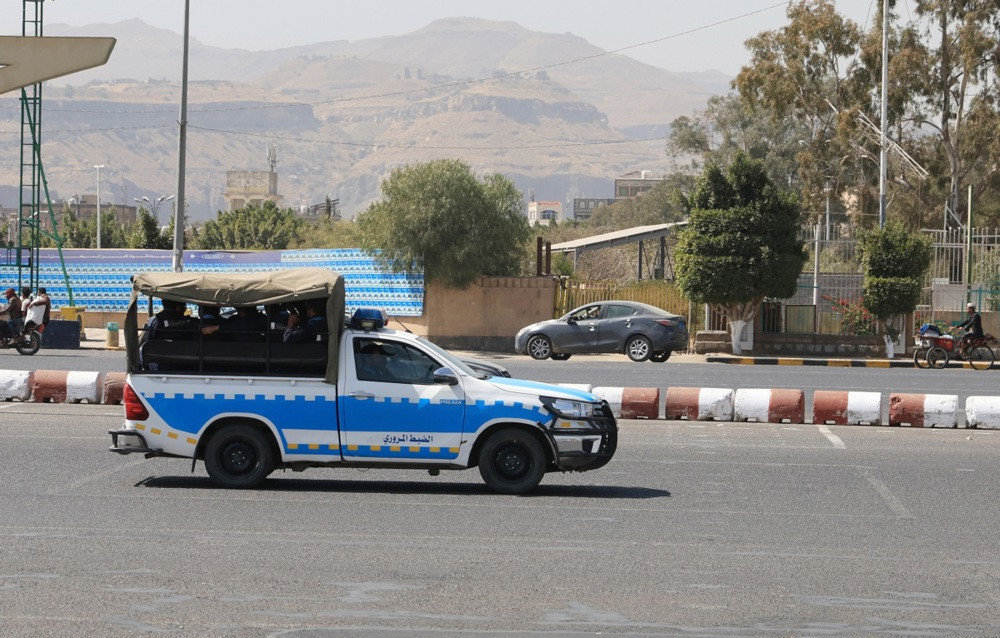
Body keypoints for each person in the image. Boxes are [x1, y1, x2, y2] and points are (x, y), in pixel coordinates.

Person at [202, 305, 268, 341]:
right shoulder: (236, 319)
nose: (238, 312)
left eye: (239, 310)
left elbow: (242, 325)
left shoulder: (260, 320)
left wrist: (217, 328)